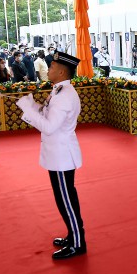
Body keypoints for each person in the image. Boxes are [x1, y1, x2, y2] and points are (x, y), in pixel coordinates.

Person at [15, 51, 86, 260]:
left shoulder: (64, 96)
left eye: (52, 67)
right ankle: (73, 235)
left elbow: (49, 127)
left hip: (62, 155)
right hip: (58, 154)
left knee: (66, 201)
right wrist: (33, 106)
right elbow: (47, 115)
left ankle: (78, 243)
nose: (49, 70)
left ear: (62, 71)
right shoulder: (59, 90)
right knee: (64, 199)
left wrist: (28, 111)